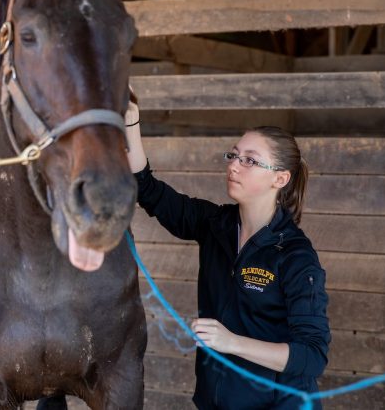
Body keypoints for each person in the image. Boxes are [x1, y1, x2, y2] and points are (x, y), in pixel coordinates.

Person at [124, 99, 330, 409]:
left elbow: (312, 357)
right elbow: (148, 189)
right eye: (233, 155)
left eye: (250, 160)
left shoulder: (295, 256)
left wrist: (231, 343)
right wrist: (130, 122)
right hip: (215, 401)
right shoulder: (214, 225)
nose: (233, 164)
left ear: (280, 178)